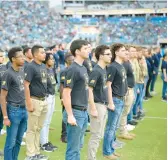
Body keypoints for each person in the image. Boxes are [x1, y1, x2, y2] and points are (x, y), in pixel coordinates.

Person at [62, 39, 89, 160]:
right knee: (73, 148)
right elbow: (66, 93)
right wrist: (70, 115)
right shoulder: (73, 69)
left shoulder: (83, 68)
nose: (88, 51)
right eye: (85, 49)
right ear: (77, 51)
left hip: (83, 111)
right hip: (75, 112)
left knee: (78, 146)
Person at [1, 47, 27, 160]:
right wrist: (5, 116)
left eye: (23, 56)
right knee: (10, 142)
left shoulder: (21, 71)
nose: (23, 58)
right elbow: (2, 96)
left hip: (23, 110)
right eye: (20, 57)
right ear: (13, 59)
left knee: (18, 140)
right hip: (13, 110)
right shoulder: (8, 74)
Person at [103, 43, 128, 160]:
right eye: (123, 50)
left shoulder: (121, 65)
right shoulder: (113, 67)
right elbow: (108, 85)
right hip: (115, 100)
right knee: (110, 127)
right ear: (116, 52)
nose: (125, 52)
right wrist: (110, 102)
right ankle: (107, 152)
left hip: (121, 99)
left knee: (114, 127)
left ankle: (111, 149)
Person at [87, 45, 112, 160]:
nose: (110, 56)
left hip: (103, 105)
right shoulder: (96, 71)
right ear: (101, 56)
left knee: (99, 135)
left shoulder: (104, 69)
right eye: (108, 54)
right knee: (95, 135)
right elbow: (89, 90)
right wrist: (93, 108)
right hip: (97, 105)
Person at [24, 45, 48, 160]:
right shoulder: (30, 67)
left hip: (44, 100)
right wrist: (29, 103)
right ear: (35, 55)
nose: (45, 54)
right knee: (31, 129)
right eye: (42, 52)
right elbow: (26, 85)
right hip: (34, 101)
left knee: (38, 128)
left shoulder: (43, 66)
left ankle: (36, 152)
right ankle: (30, 155)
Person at [40, 53, 57, 152]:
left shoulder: (51, 70)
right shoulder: (43, 70)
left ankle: (46, 141)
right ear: (46, 60)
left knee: (48, 121)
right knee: (44, 121)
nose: (53, 60)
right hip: (47, 97)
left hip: (52, 96)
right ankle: (43, 143)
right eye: (51, 59)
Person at [118, 47, 136, 140]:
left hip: (130, 89)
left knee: (126, 112)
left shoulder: (128, 62)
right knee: (124, 112)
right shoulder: (124, 63)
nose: (134, 53)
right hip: (127, 90)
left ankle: (124, 131)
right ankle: (122, 131)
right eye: (132, 51)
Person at [60, 53, 74, 143]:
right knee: (66, 116)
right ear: (67, 61)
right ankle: (64, 135)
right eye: (71, 60)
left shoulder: (75, 70)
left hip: (75, 97)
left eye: (74, 59)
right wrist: (62, 97)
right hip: (66, 97)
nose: (73, 61)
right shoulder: (64, 71)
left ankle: (71, 134)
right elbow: (62, 85)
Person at [0, 49, 7, 157]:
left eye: (2, 56)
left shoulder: (4, 68)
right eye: (0, 56)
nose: (1, 57)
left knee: (0, 125)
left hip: (2, 100)